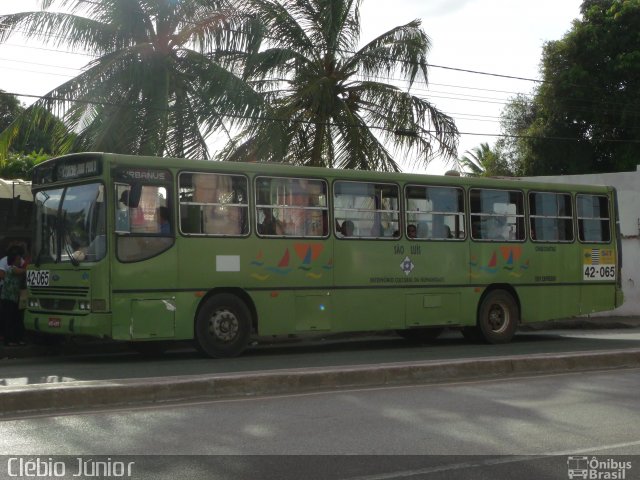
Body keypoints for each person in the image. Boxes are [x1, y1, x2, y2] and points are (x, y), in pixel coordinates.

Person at [1, 249, 27, 346]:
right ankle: (9, 340)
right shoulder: (12, 268)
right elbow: (23, 271)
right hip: (8, 298)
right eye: (19, 258)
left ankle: (16, 339)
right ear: (14, 260)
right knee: (9, 320)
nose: (20, 260)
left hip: (15, 298)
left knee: (16, 319)